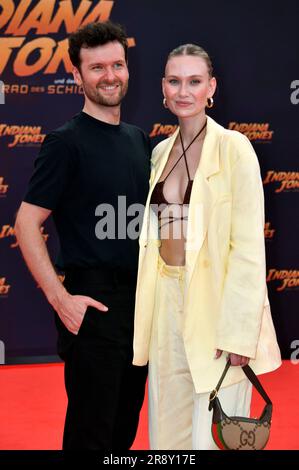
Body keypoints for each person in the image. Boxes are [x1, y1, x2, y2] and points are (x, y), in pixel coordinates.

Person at [132, 44, 281, 450]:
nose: (184, 91)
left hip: (216, 308)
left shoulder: (235, 148)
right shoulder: (159, 151)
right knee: (167, 429)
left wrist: (238, 332)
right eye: (175, 81)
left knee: (212, 436)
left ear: (210, 87)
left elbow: (248, 247)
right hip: (165, 300)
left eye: (194, 81)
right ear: (163, 88)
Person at [15, 21, 150, 450]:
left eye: (117, 65)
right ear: (76, 75)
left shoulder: (139, 140)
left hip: (140, 307)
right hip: (93, 306)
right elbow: (25, 223)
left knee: (123, 434)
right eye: (96, 68)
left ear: (127, 69)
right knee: (90, 437)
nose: (110, 76)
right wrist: (61, 298)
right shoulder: (64, 142)